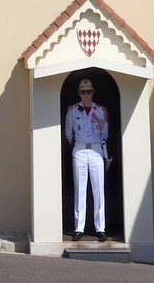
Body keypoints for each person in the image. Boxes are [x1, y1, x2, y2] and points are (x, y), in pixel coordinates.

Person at [64, 77, 108, 241]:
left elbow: (105, 133)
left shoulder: (100, 111)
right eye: (83, 92)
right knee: (80, 190)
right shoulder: (73, 111)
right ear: (79, 93)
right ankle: (79, 227)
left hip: (96, 150)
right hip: (80, 150)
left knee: (98, 190)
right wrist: (77, 147)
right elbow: (68, 133)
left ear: (92, 93)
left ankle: (100, 228)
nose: (86, 94)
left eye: (89, 91)